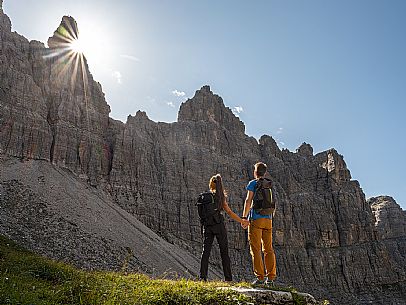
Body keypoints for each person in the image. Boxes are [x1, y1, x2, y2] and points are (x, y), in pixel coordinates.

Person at [199, 174, 250, 282]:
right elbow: (230, 212)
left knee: (206, 252)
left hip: (207, 226)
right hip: (219, 226)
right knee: (224, 252)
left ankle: (203, 277)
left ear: (211, 184)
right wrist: (242, 220)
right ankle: (228, 278)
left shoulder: (205, 197)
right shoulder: (220, 197)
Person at [242, 162, 276, 286]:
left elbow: (248, 200)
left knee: (255, 249)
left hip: (256, 219)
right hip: (268, 220)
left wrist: (244, 217)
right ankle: (271, 278)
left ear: (255, 172)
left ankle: (260, 278)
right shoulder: (270, 184)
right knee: (268, 249)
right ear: (265, 172)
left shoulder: (253, 183)